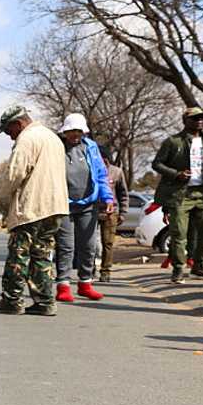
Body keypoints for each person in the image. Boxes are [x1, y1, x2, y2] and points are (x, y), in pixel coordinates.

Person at [0, 106, 69, 316]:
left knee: (19, 254)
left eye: (8, 131)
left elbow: (15, 174)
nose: (9, 136)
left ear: (18, 123)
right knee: (42, 255)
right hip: (55, 206)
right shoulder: (53, 138)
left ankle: (12, 300)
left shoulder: (27, 139)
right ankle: (45, 302)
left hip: (32, 206)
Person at [152, 106, 203, 283]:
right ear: (186, 120)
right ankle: (178, 269)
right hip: (180, 194)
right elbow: (157, 164)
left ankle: (198, 266)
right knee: (178, 234)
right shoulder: (173, 141)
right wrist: (176, 174)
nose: (199, 120)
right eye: (195, 118)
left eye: (202, 117)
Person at [54, 114, 115, 303]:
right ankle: (63, 285)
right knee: (66, 247)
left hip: (89, 203)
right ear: (65, 132)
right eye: (72, 131)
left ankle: (85, 284)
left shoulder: (91, 147)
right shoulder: (57, 148)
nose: (75, 135)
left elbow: (100, 173)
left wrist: (107, 197)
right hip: (64, 205)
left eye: (79, 131)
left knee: (88, 246)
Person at [98, 145, 129, 284]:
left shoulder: (116, 172)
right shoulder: (91, 170)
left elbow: (123, 194)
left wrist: (123, 213)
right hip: (92, 212)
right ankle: (88, 269)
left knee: (108, 243)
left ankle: (105, 271)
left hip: (111, 213)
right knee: (89, 244)